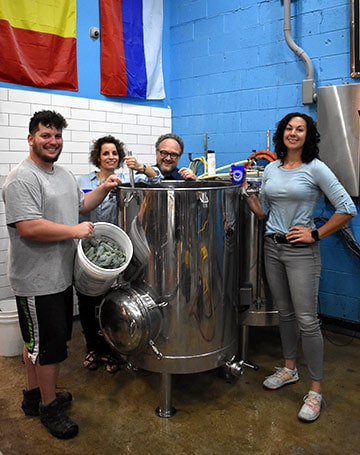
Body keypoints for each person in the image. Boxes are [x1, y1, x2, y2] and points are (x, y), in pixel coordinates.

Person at [2, 111, 121, 439]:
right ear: (31, 139)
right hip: (35, 280)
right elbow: (29, 227)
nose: (52, 142)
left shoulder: (63, 175)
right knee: (49, 346)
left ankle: (33, 395)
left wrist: (106, 188)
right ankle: (49, 407)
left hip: (57, 277)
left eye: (57, 136)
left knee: (36, 342)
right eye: (45, 136)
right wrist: (74, 231)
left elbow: (82, 205)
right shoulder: (22, 178)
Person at [242, 112, 357, 422]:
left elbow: (347, 208)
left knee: (307, 320)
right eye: (289, 129)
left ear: (308, 135)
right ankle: (289, 369)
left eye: (300, 129)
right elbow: (265, 212)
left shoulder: (315, 168)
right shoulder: (271, 170)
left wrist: (315, 233)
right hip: (272, 247)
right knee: (286, 313)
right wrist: (249, 196)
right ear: (282, 133)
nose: (294, 133)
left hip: (301, 252)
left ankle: (316, 390)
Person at [77, 135, 126, 374]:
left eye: (115, 153)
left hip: (114, 251)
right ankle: (93, 348)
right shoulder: (83, 180)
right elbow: (80, 207)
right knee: (87, 301)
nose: (111, 157)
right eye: (106, 153)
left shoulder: (126, 181)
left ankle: (112, 349)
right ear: (98, 157)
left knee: (112, 302)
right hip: (88, 249)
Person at [124, 132, 197, 181]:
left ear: (179, 157)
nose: (168, 158)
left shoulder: (184, 179)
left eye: (173, 155)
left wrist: (196, 183)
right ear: (156, 152)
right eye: (164, 153)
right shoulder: (142, 176)